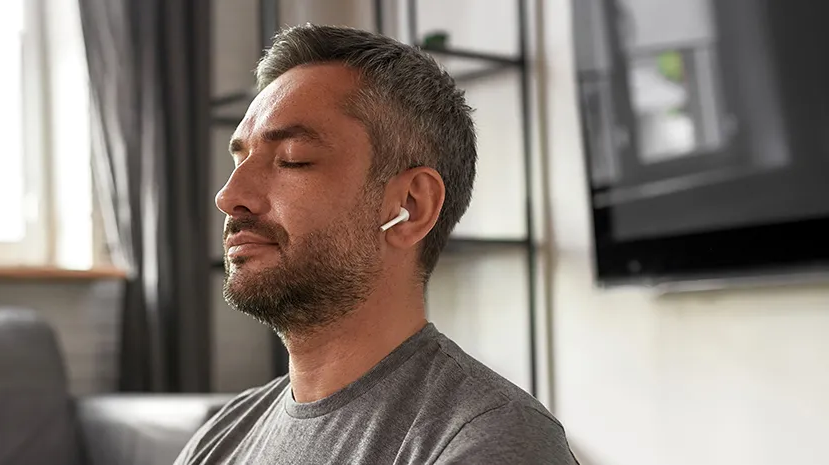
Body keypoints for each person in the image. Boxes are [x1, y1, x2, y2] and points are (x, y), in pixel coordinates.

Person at [175, 24, 577, 465]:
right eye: (239, 160)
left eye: (293, 159)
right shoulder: (221, 439)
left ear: (410, 205)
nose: (229, 196)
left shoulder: (489, 437)